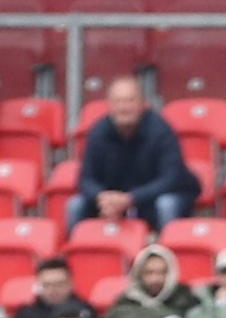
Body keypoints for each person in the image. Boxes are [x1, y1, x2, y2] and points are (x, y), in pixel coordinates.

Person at [75, 78, 199, 228]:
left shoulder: (161, 131)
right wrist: (102, 198)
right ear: (109, 105)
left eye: (129, 101)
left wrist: (131, 199)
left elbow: (171, 179)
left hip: (155, 198)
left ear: (142, 103)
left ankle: (164, 250)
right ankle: (78, 250)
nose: (123, 108)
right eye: (118, 102)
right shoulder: (98, 132)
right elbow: (85, 179)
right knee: (75, 205)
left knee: (166, 204)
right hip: (113, 201)